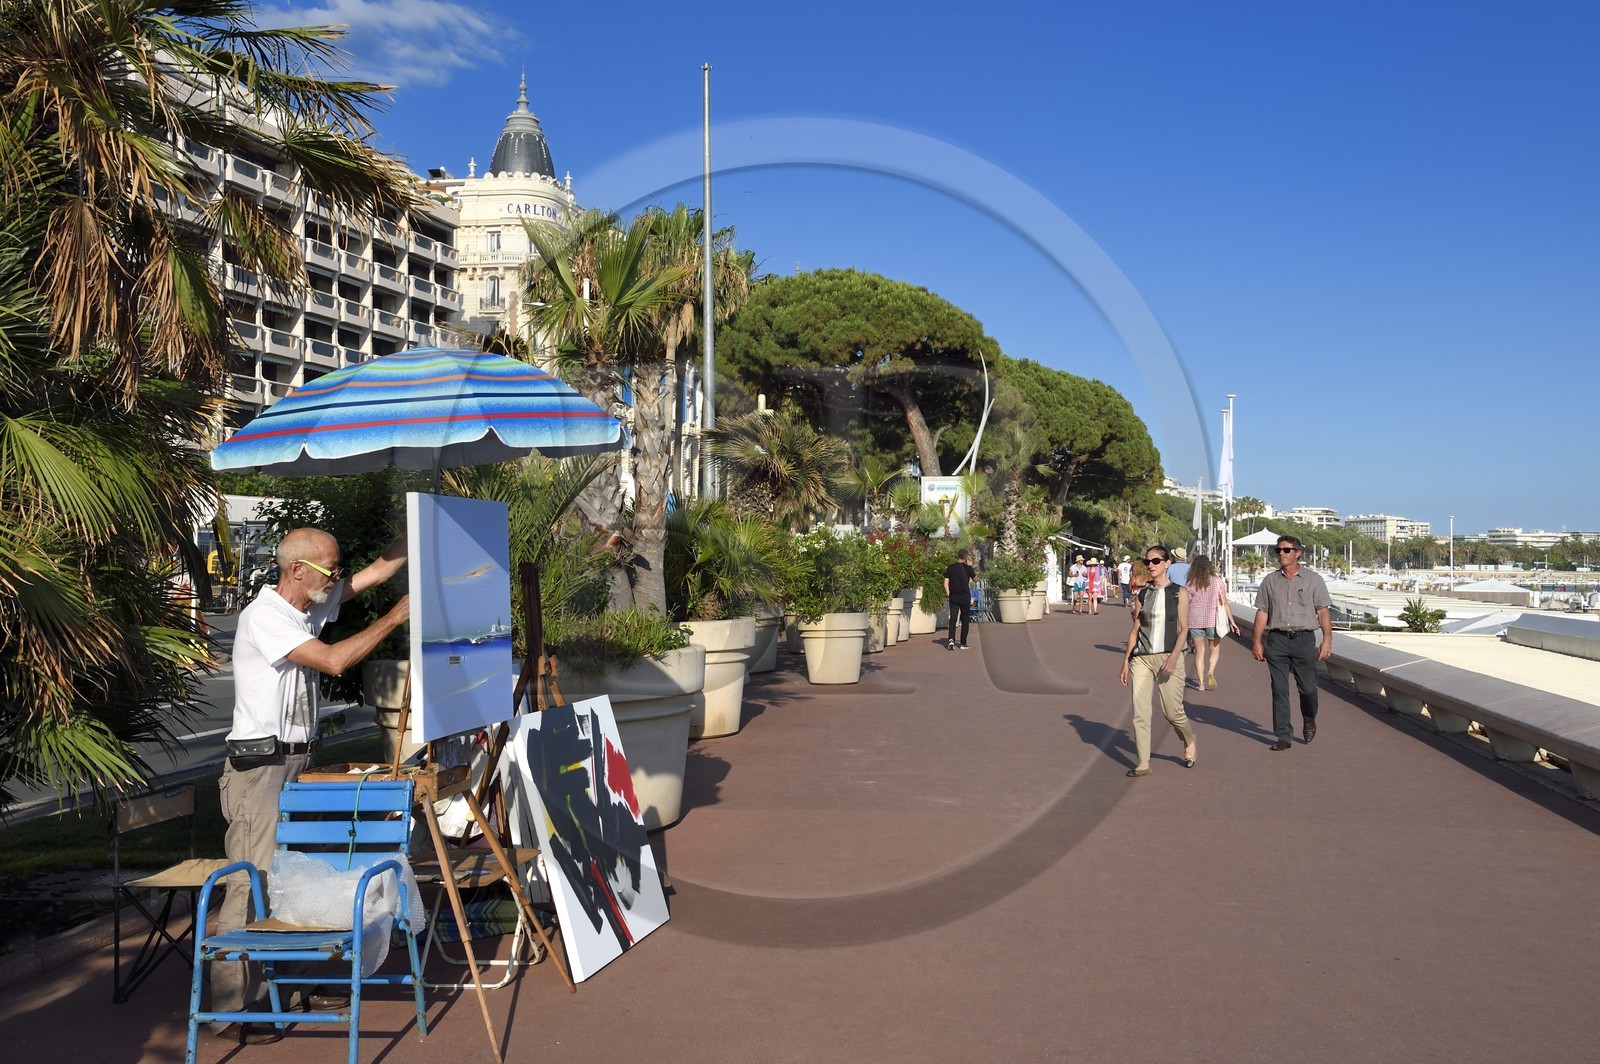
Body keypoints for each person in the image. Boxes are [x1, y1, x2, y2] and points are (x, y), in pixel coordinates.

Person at [209, 527, 409, 1045]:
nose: (337, 577)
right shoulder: (267, 616)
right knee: (249, 880)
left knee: (300, 875)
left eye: (337, 568)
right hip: (261, 767)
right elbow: (336, 660)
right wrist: (394, 617)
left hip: (298, 759)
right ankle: (231, 1008)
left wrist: (418, 530)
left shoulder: (307, 604)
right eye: (329, 569)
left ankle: (288, 983)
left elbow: (376, 572)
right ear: (296, 570)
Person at [1118, 545, 1196, 776]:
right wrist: (1125, 661)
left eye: (1156, 561)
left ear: (1167, 563)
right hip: (1142, 658)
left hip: (1168, 657)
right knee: (1140, 712)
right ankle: (1143, 762)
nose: (1151, 565)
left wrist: (1173, 657)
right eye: (1147, 561)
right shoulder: (1142, 594)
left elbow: (1184, 629)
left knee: (1172, 712)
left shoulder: (1178, 593)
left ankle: (1189, 739)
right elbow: (1135, 629)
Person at [1251, 534, 1333, 751]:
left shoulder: (1313, 580)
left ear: (1297, 553)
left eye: (1286, 550)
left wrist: (1327, 640)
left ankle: (1309, 717)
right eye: (1278, 550)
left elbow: (1323, 611)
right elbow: (1262, 612)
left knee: (1307, 689)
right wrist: (1256, 641)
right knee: (1279, 689)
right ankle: (1283, 736)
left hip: (1304, 640)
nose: (1281, 554)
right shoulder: (1270, 581)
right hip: (1277, 640)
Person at [1182, 554, 1238, 690]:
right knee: (1214, 649)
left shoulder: (1191, 582)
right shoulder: (1217, 581)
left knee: (1200, 652)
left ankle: (1201, 683)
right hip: (1213, 620)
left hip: (1195, 620)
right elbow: (1224, 602)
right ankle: (1210, 671)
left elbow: (1185, 604)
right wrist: (1232, 621)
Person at [944, 548, 977, 650]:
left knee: (953, 618)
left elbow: (946, 583)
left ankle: (951, 639)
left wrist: (949, 593)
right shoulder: (968, 568)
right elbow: (976, 580)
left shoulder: (950, 568)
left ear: (957, 556)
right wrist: (970, 567)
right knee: (965, 620)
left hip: (954, 596)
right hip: (964, 596)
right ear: (966, 557)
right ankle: (963, 643)